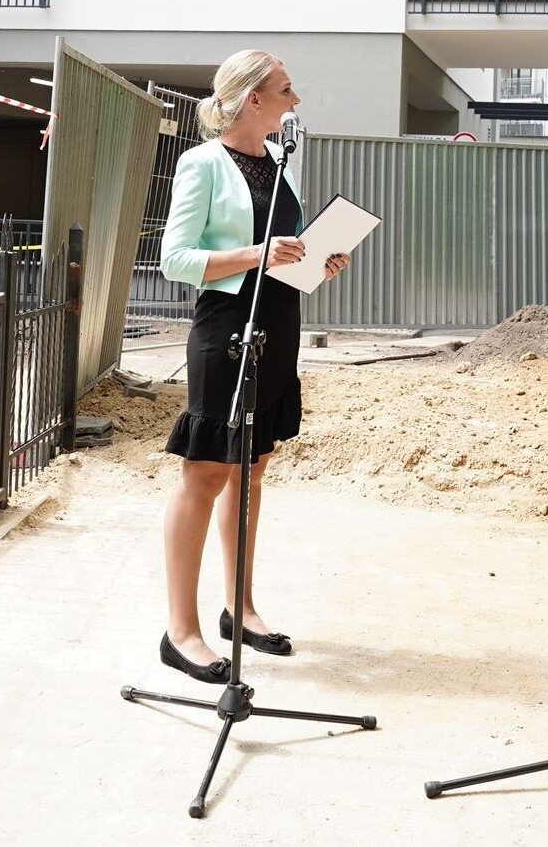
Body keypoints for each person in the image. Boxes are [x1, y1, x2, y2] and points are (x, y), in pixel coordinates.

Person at [155, 50, 350, 684]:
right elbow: (176, 259)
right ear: (253, 100)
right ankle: (180, 632)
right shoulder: (202, 163)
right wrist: (255, 253)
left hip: (279, 322)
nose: (296, 101)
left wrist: (315, 260)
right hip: (225, 327)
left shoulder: (279, 165)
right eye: (286, 90)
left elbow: (280, 252)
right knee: (206, 474)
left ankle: (239, 609)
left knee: (253, 471)